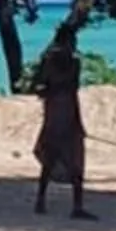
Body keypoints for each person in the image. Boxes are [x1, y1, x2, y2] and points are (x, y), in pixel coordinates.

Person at [32, 19, 92, 219]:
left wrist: (47, 90)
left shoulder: (51, 62)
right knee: (67, 162)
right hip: (63, 115)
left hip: (57, 115)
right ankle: (74, 206)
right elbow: (68, 89)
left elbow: (42, 86)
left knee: (57, 162)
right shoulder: (70, 63)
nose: (74, 45)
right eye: (71, 41)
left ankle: (45, 201)